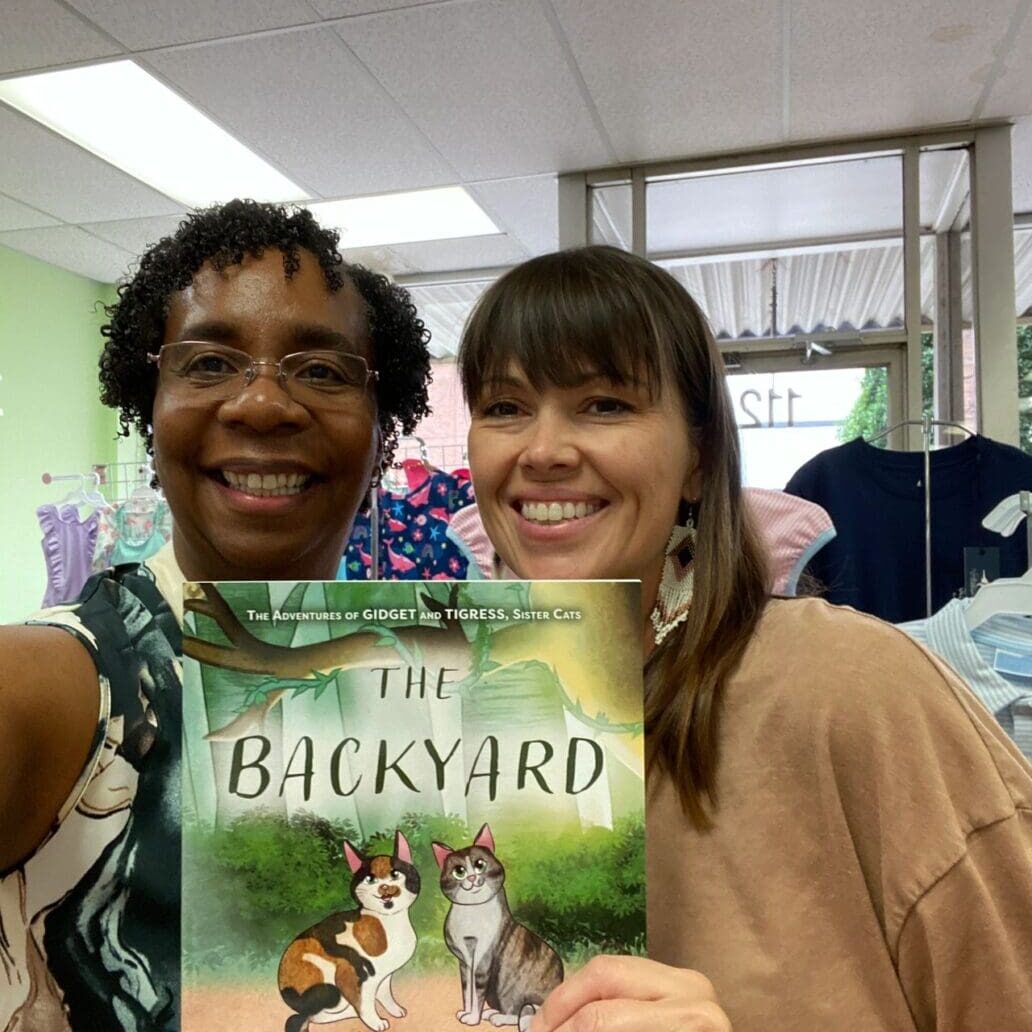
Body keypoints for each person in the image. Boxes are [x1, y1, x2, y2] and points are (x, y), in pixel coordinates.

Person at [458, 245, 1032, 1032]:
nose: (544, 449)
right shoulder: (451, 714)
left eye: (604, 404)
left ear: (697, 458)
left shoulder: (855, 690)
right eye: (503, 407)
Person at [0, 199, 431, 1032]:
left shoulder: (412, 674)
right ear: (147, 406)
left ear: (383, 433)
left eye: (322, 370)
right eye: (207, 364)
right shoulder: (68, 680)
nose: (263, 404)